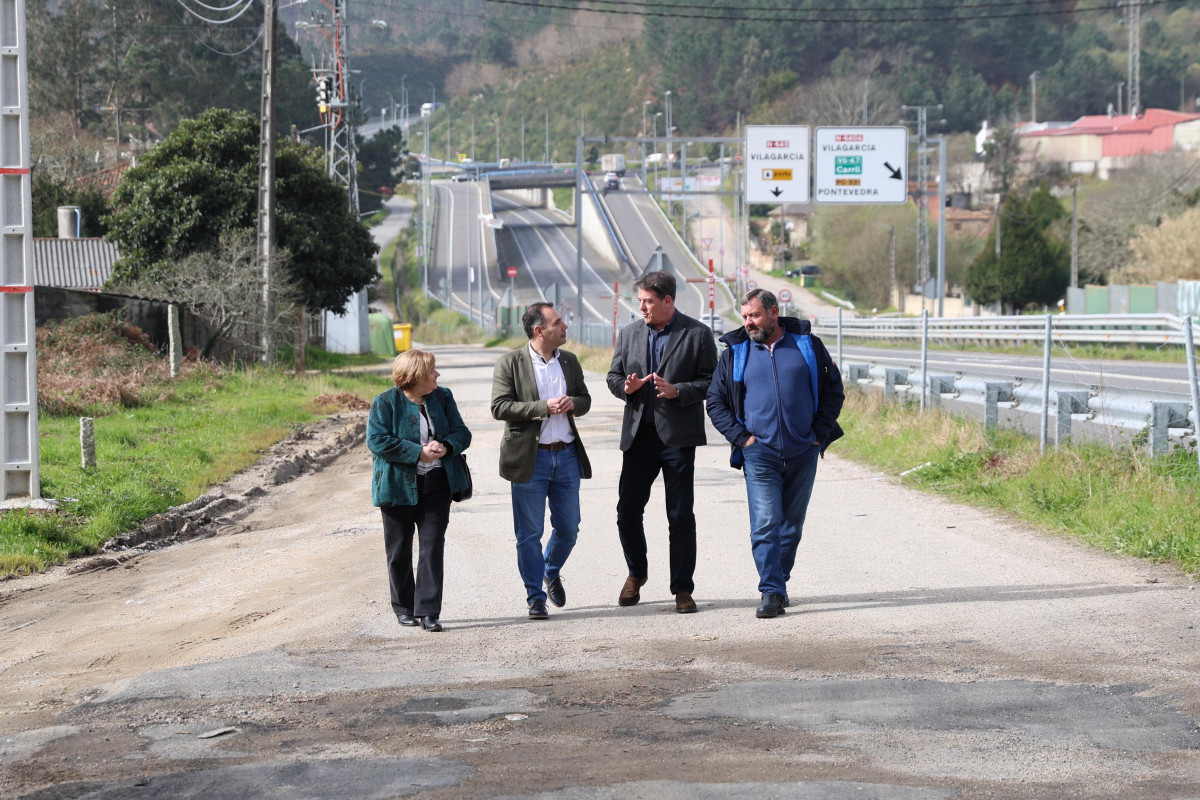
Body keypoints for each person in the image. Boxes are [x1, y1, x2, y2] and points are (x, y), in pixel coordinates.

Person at [706, 288, 844, 618]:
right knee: (765, 523)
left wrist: (818, 434)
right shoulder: (735, 353)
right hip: (759, 452)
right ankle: (771, 590)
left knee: (791, 526)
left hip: (803, 450)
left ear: (773, 312)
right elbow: (715, 401)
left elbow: (833, 390)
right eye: (745, 317)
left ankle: (779, 583)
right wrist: (742, 439)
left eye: (754, 315)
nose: (749, 322)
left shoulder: (808, 345)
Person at [606, 270, 718, 613]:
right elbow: (613, 376)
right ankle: (636, 573)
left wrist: (678, 390)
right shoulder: (629, 334)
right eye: (639, 301)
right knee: (627, 512)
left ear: (667, 301)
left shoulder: (697, 334)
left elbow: (712, 381)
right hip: (638, 437)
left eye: (648, 301)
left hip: (677, 439)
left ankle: (682, 589)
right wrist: (626, 388)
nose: (641, 307)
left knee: (680, 515)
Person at [491, 302, 592, 620]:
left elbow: (585, 399)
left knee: (569, 528)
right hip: (529, 460)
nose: (565, 327)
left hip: (566, 455)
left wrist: (573, 403)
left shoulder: (570, 361)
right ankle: (535, 597)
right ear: (539, 330)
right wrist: (542, 407)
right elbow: (499, 407)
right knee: (529, 534)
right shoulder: (510, 363)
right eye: (558, 322)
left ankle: (550, 568)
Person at [367, 349, 472, 633]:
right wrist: (418, 452)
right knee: (399, 550)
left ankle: (428, 611)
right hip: (397, 487)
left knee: (432, 547)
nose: (437, 375)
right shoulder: (385, 402)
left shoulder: (443, 397)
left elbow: (462, 433)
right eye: (432, 371)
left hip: (437, 485)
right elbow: (377, 441)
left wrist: (445, 447)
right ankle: (404, 607)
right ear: (415, 376)